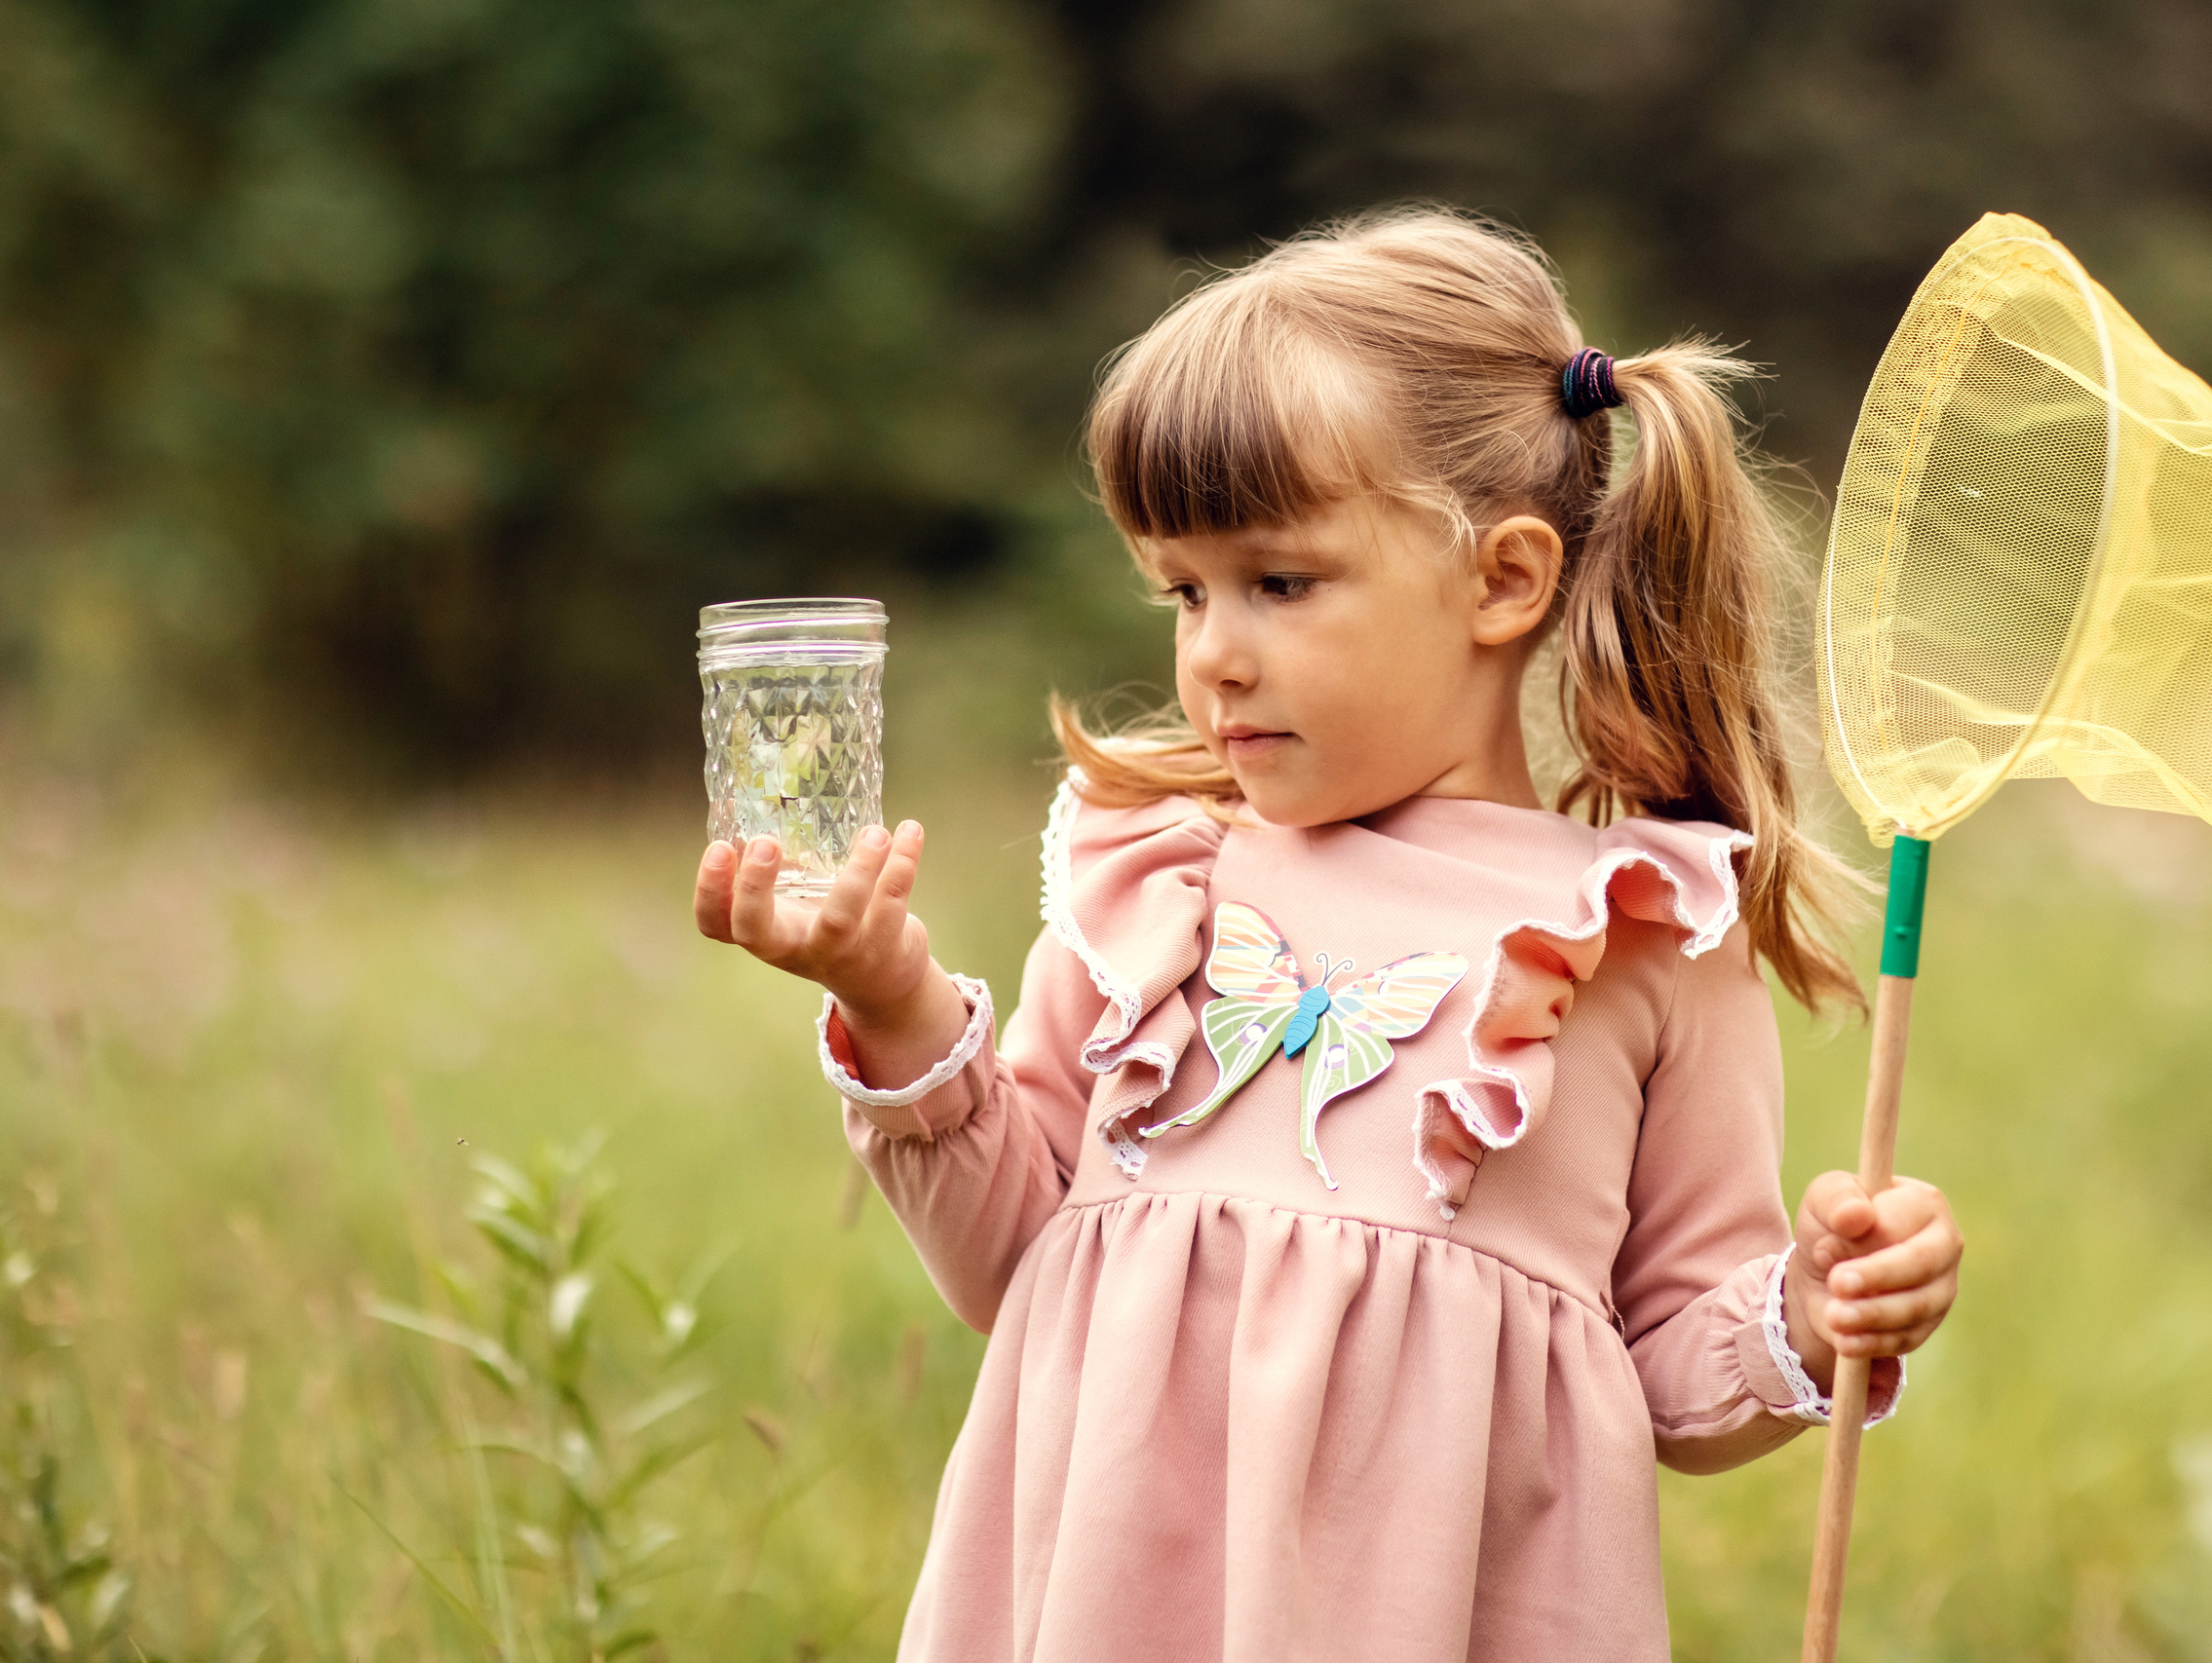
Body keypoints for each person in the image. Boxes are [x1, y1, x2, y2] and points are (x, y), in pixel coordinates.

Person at [694, 208, 1963, 1662]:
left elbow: (1674, 1381)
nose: (1213, 653)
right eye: (1183, 590)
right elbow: (1013, 1264)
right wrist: (892, 992)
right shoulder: (1155, 883)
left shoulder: (1642, 936)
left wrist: (1812, 1314)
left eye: (1279, 583)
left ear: (1503, 580)